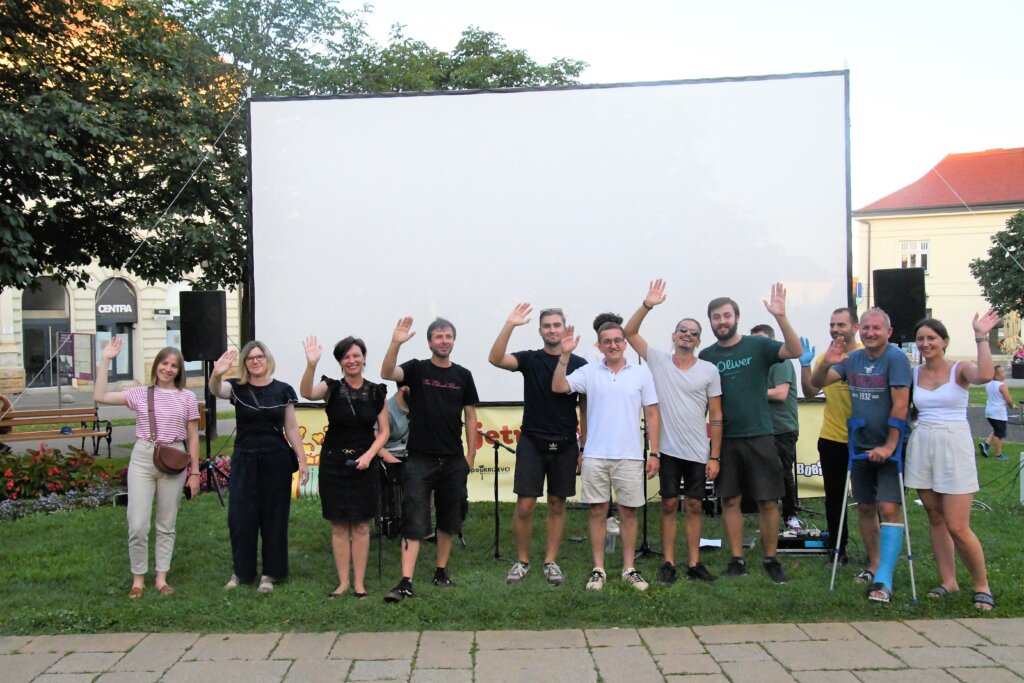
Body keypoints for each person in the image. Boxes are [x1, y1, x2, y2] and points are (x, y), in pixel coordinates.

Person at [697, 284, 802, 584]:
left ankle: (771, 558)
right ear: (711, 322)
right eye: (716, 317)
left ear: (737, 317)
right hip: (726, 439)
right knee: (730, 501)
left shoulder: (757, 346)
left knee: (768, 501)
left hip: (760, 435)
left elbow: (794, 351)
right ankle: (736, 559)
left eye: (727, 315)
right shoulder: (706, 356)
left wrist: (781, 316)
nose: (722, 321)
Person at [624, 279, 722, 584]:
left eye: (694, 333)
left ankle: (694, 563)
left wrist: (715, 456)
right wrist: (648, 304)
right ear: (674, 335)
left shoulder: (709, 370)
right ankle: (668, 562)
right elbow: (629, 333)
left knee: (694, 505)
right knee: (668, 504)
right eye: (683, 331)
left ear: (698, 340)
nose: (688, 335)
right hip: (666, 449)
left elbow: (716, 415)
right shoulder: (658, 360)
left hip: (696, 451)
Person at [810, 308, 911, 602]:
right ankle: (874, 564)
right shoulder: (853, 359)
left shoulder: (896, 359)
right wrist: (824, 363)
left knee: (888, 509)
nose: (869, 333)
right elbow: (817, 383)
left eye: (876, 328)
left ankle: (885, 579)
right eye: (865, 328)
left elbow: (901, 405)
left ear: (888, 332)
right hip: (861, 447)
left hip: (889, 448)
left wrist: (891, 445)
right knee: (865, 506)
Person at [553, 320, 660, 591]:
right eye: (607, 341)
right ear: (599, 346)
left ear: (625, 344)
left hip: (630, 455)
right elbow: (558, 387)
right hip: (596, 455)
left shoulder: (641, 374)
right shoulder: (589, 372)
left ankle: (628, 568)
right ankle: (598, 569)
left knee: (628, 512)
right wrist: (564, 355)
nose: (613, 345)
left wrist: (654, 452)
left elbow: (652, 413)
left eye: (618, 340)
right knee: (598, 511)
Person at [905, 313, 999, 610]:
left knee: (958, 525)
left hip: (953, 443)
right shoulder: (913, 374)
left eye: (932, 338)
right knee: (935, 517)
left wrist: (981, 337)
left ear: (944, 342)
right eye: (921, 338)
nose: (926, 343)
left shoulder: (960, 369)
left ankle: (982, 585)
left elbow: (984, 376)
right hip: (923, 444)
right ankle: (949, 580)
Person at [380, 317, 478, 602]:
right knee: (414, 519)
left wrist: (470, 455)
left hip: (453, 459)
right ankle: (406, 581)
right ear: (429, 342)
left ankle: (441, 571)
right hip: (419, 459)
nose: (444, 340)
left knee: (449, 519)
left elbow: (470, 415)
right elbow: (387, 372)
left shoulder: (463, 375)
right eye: (438, 336)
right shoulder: (417, 369)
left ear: (454, 341)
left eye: (448, 336)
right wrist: (396, 342)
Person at [489, 303, 587, 586]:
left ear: (565, 327)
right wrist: (509, 324)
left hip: (566, 442)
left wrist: (584, 446)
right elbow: (495, 359)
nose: (552, 330)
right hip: (533, 440)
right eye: (547, 326)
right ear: (540, 330)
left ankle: (550, 561)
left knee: (557, 503)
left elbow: (584, 406)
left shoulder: (579, 363)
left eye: (557, 325)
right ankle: (522, 561)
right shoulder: (530, 359)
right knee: (525, 505)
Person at [94, 337, 199, 598]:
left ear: (179, 370)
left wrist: (194, 473)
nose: (168, 369)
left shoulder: (187, 397)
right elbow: (100, 396)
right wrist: (106, 359)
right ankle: (138, 579)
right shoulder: (141, 393)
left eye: (174, 365)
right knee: (137, 523)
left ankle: (161, 578)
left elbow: (193, 436)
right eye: (164, 363)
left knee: (167, 522)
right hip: (143, 457)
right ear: (156, 366)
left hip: (174, 458)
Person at [209, 341, 308, 594]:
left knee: (274, 517)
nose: (255, 361)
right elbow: (216, 389)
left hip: (276, 459)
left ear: (268, 359)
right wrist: (217, 372)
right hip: (245, 459)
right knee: (241, 517)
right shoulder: (237, 388)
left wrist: (303, 459)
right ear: (245, 363)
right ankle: (242, 572)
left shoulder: (283, 390)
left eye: (259, 356)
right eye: (250, 358)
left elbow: (292, 428)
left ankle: (270, 574)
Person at [299, 336, 387, 598]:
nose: (352, 360)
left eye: (356, 355)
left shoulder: (375, 391)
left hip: (364, 463)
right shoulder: (331, 387)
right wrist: (311, 364)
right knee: (338, 525)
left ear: (364, 358)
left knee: (361, 525)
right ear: (340, 361)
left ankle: (359, 583)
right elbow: (306, 392)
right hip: (334, 463)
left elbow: (384, 432)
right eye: (346, 357)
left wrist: (370, 456)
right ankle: (343, 583)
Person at [799, 308, 861, 563]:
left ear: (855, 328)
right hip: (832, 438)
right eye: (832, 324)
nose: (835, 329)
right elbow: (811, 390)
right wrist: (805, 364)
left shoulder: (866, 356)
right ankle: (839, 549)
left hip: (863, 439)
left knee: (870, 500)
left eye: (841, 324)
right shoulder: (826, 357)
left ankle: (877, 551)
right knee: (835, 497)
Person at [750, 324, 800, 531]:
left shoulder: (781, 361)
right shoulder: (756, 364)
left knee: (783, 472)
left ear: (772, 341)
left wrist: (750, 390)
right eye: (754, 341)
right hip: (762, 428)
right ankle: (768, 518)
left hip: (782, 428)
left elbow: (780, 394)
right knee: (764, 475)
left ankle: (791, 516)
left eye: (762, 340)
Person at [982, 365, 1014, 460]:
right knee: (999, 434)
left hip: (989, 411)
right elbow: (1008, 399)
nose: (1004, 374)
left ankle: (986, 444)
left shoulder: (989, 384)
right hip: (998, 413)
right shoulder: (1002, 386)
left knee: (997, 429)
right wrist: (1012, 406)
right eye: (1002, 373)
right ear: (996, 376)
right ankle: (998, 454)